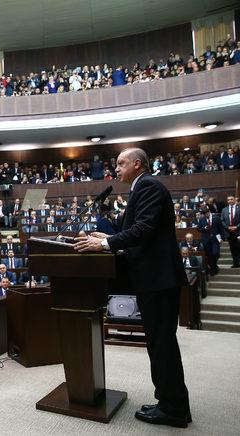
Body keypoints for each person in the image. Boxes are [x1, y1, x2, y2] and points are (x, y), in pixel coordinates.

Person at [74, 147, 190, 428]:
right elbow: (132, 230)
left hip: (159, 279)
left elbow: (144, 230)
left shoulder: (148, 186)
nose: (116, 168)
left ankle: (173, 409)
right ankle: (170, 402)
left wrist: (104, 243)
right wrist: (108, 234)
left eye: (121, 163)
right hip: (154, 279)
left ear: (138, 164)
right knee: (159, 343)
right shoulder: (140, 189)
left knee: (162, 344)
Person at [221, 196, 240, 268]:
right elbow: (222, 220)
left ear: (235, 200)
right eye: (228, 200)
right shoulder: (224, 210)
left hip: (238, 231)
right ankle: (235, 263)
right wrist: (227, 227)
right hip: (229, 232)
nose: (230, 201)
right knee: (232, 248)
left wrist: (237, 227)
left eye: (231, 199)